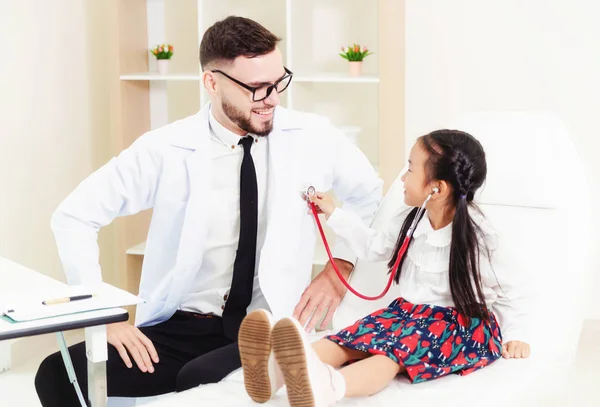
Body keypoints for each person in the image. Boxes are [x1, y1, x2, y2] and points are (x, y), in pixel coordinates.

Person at [35, 16, 382, 406]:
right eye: (255, 88)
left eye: (278, 82)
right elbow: (74, 216)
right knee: (57, 375)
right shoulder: (166, 148)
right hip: (180, 325)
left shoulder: (313, 136)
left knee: (198, 381)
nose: (271, 99)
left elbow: (371, 197)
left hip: (265, 324)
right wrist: (103, 317)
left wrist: (340, 267)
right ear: (211, 82)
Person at [238, 129, 531, 406]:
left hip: (458, 327)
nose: (403, 177)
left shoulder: (482, 238)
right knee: (352, 339)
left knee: (390, 354)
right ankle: (273, 373)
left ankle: (327, 387)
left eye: (411, 169)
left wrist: (517, 334)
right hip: (408, 313)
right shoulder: (411, 219)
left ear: (437, 188)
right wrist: (334, 214)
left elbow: (514, 290)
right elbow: (373, 246)